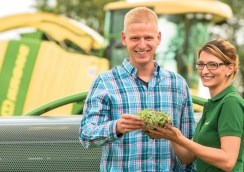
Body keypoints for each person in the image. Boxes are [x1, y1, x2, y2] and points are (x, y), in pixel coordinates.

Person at [79, 7, 195, 171]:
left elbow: (190, 147)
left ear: (158, 37)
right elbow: (86, 135)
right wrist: (117, 127)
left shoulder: (178, 85)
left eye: (148, 37)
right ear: (124, 38)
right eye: (135, 38)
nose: (142, 45)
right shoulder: (105, 82)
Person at [149, 39, 244, 172]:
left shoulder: (230, 102)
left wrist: (180, 138)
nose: (204, 71)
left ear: (229, 68)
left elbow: (228, 161)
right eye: (201, 64)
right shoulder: (212, 105)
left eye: (213, 65)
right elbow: (188, 156)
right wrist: (169, 134)